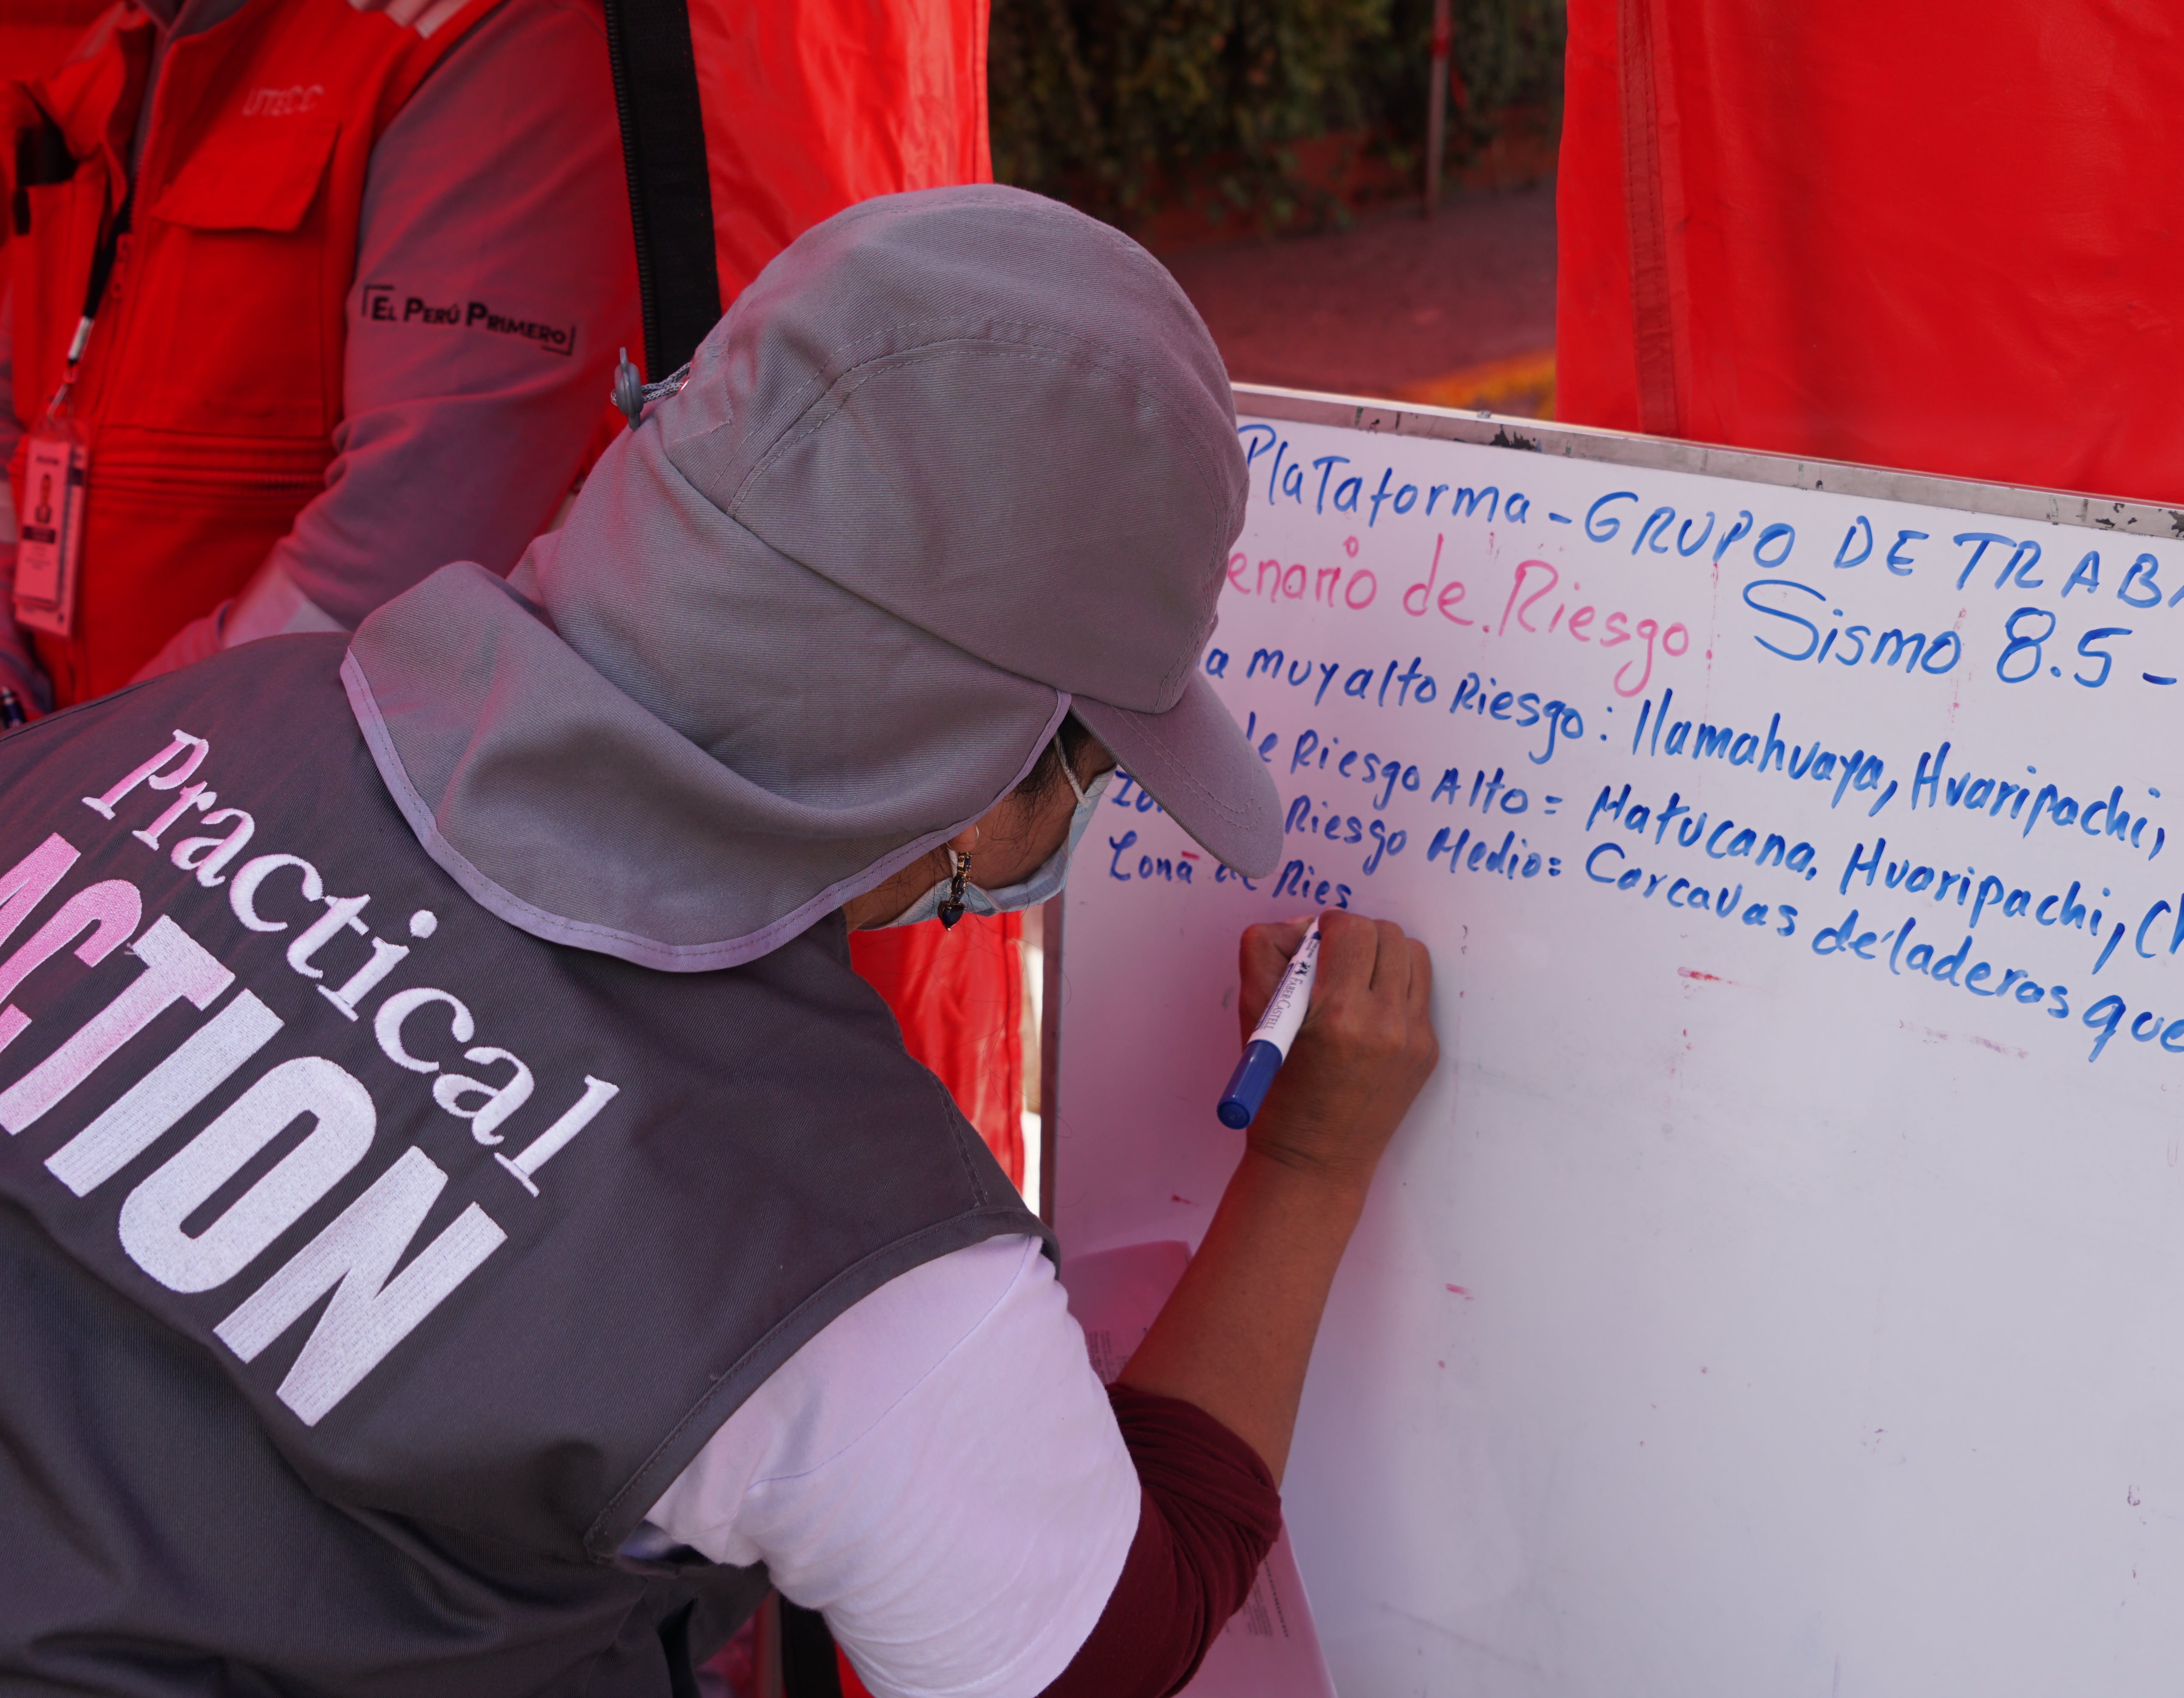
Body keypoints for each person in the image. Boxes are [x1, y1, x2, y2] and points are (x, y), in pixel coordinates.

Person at [0, 184, 1437, 1696]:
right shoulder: (830, 1239)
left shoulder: (184, 727)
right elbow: (1106, 1652)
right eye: (1092, 766)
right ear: (955, 764)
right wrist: (1307, 1168)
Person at [0, 0, 634, 711]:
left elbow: (403, 553)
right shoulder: (109, 54)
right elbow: (18, 406)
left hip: (280, 795)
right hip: (73, 771)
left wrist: (89, 779)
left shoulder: (492, 40)